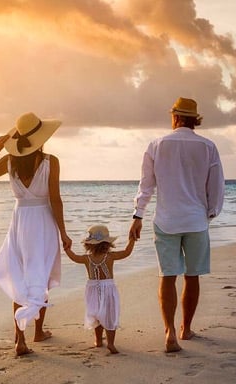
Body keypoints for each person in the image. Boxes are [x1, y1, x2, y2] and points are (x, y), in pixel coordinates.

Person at [129, 97, 225, 353]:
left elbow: (146, 185)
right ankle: (186, 327)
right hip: (195, 220)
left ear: (174, 117)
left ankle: (169, 331)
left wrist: (137, 215)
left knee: (167, 276)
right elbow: (215, 186)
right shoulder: (208, 147)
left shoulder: (156, 145)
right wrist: (211, 213)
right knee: (192, 276)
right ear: (195, 119)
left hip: (166, 220)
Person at [0, 112, 72, 356]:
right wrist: (63, 232)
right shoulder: (51, 161)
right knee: (41, 273)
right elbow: (55, 200)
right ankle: (38, 331)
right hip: (43, 221)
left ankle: (20, 339)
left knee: (20, 277)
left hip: (20, 223)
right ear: (41, 138)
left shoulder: (10, 161)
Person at [65, 225, 135, 354]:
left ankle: (98, 340)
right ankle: (111, 344)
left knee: (97, 315)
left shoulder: (87, 259)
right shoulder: (110, 257)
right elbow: (126, 252)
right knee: (109, 315)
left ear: (89, 245)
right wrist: (132, 240)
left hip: (92, 289)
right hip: (108, 288)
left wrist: (67, 249)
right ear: (107, 244)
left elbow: (74, 257)